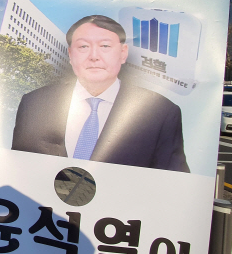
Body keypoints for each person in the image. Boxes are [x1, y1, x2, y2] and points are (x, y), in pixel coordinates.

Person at [11, 15, 189, 172]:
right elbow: (18, 170)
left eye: (105, 46)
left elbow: (172, 186)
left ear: (123, 53)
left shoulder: (160, 112)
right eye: (83, 47)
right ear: (71, 54)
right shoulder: (34, 103)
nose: (94, 56)